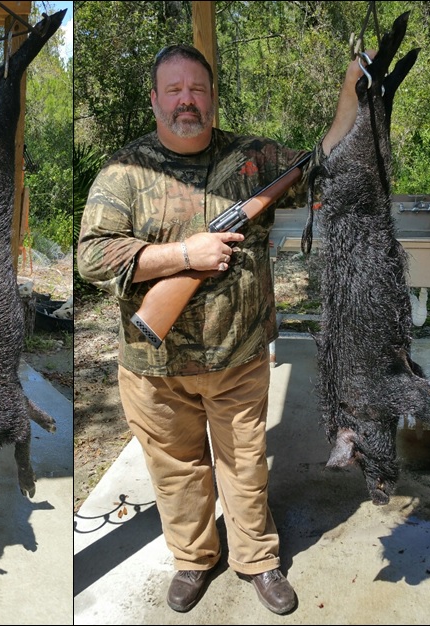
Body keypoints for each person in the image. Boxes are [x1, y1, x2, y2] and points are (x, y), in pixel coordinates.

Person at [77, 45, 367, 615]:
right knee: (176, 470)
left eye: (199, 90)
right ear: (156, 99)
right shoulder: (124, 171)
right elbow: (91, 257)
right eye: (175, 90)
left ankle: (257, 561)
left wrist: (353, 87)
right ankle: (193, 559)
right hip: (154, 368)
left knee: (245, 464)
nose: (188, 100)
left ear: (212, 98)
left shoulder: (255, 157)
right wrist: (186, 253)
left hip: (239, 357)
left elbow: (326, 158)